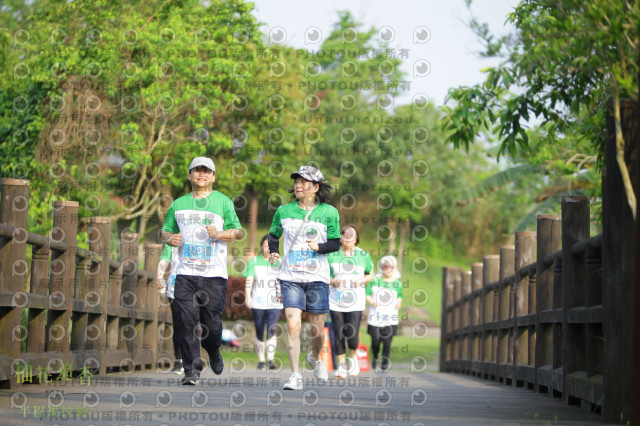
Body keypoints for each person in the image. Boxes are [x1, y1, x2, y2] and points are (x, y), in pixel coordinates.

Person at [161, 156, 243, 385]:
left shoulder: (223, 202)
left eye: (206, 171)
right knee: (186, 320)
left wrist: (220, 233)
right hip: (185, 273)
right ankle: (191, 370)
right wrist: (170, 238)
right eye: (197, 170)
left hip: (214, 275)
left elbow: (238, 232)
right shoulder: (178, 204)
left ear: (213, 177)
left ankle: (214, 349)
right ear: (189, 175)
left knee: (212, 325)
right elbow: (164, 231)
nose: (201, 174)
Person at [267, 165, 341, 390]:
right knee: (292, 325)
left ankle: (315, 357)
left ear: (316, 187)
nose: (298, 185)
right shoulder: (284, 211)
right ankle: (295, 375)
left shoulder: (329, 213)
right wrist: (274, 251)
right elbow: (273, 236)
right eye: (296, 181)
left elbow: (335, 243)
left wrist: (319, 247)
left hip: (317, 277)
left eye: (304, 182)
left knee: (316, 329)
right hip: (290, 277)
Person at [328, 225, 374, 378]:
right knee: (339, 332)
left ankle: (353, 359)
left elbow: (371, 275)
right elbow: (324, 276)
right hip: (336, 300)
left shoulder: (363, 255)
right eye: (344, 233)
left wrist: (362, 279)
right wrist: (333, 281)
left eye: (351, 234)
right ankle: (341, 366)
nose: (347, 237)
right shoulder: (332, 255)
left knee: (352, 333)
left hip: (356, 301)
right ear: (340, 237)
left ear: (356, 238)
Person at [243, 235, 283, 370]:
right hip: (258, 301)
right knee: (260, 330)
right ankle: (261, 360)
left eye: (270, 247)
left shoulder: (279, 262)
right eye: (266, 246)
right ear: (261, 246)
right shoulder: (254, 261)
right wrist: (247, 296)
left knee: (271, 328)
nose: (268, 249)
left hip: (275, 302)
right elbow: (249, 279)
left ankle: (270, 359)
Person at [366, 255, 403, 372]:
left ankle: (384, 363)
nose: (387, 268)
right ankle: (375, 357)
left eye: (389, 266)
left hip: (390, 318)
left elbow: (400, 295)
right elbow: (367, 293)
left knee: (387, 342)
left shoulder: (397, 283)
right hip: (375, 317)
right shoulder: (375, 280)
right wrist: (371, 301)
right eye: (384, 266)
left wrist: (399, 302)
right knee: (375, 342)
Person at [155, 245, 183, 374]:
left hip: (196, 290)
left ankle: (192, 357)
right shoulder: (172, 241)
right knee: (178, 324)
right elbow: (165, 259)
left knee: (192, 323)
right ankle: (179, 360)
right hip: (174, 289)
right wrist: (159, 277)